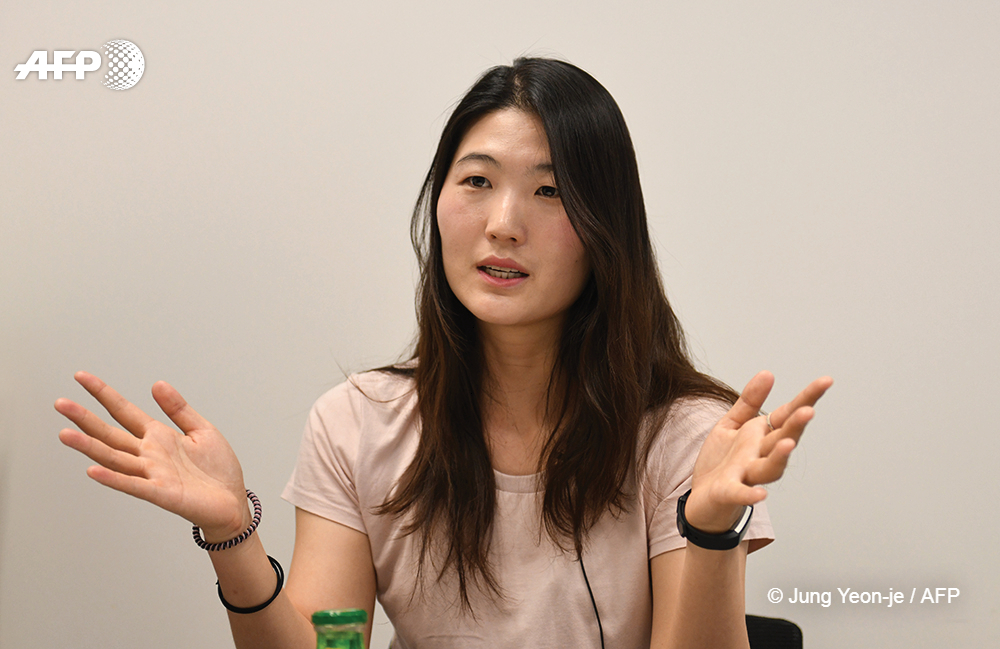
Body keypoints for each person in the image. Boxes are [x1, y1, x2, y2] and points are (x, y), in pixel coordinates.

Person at [56, 57, 832, 649]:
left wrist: (710, 527)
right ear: (438, 204)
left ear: (608, 227)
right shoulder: (358, 423)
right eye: (477, 181)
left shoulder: (687, 436)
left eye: (549, 191)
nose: (503, 223)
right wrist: (234, 535)